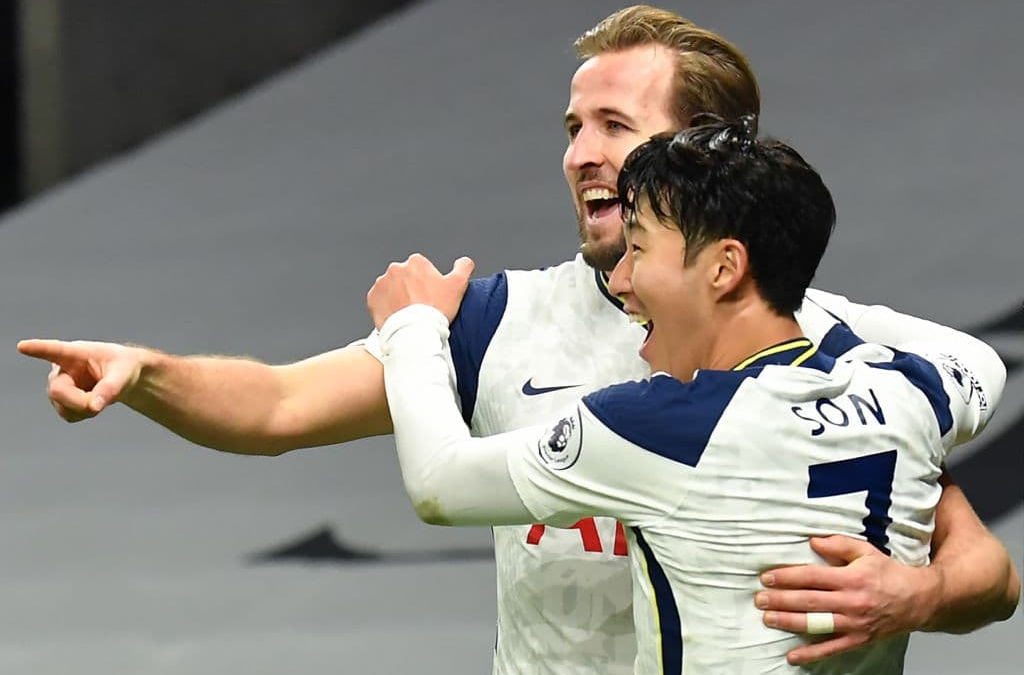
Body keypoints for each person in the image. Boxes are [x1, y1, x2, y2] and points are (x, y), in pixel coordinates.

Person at [17, 4, 1018, 674]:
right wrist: (144, 374)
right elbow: (277, 408)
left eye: (613, 126)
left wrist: (919, 595)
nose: (581, 154)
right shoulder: (499, 322)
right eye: (571, 128)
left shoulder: (825, 352)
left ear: (700, 155)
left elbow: (987, 571)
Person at [366, 118, 1012, 673]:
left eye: (638, 249)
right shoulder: (908, 396)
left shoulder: (664, 428)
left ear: (725, 268)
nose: (620, 279)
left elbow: (439, 482)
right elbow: (979, 369)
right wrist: (922, 594)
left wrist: (413, 325)